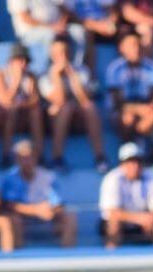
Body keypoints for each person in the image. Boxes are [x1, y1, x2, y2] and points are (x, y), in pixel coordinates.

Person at [39, 34, 108, 172]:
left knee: (90, 108)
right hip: (54, 120)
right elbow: (59, 100)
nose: (63, 57)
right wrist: (56, 76)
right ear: (52, 55)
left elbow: (85, 99)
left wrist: (72, 76)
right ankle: (57, 157)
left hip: (78, 120)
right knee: (65, 107)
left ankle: (100, 157)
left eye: (65, 52)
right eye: (58, 53)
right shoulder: (45, 75)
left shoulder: (81, 71)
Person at [0, 139, 77, 248]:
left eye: (29, 157)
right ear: (16, 159)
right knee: (12, 219)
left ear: (36, 157)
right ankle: (17, 258)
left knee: (70, 217)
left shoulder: (48, 176)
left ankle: (67, 257)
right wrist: (35, 210)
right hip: (22, 217)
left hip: (45, 214)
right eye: (22, 158)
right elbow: (8, 205)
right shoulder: (9, 178)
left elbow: (58, 203)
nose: (26, 161)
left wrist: (51, 210)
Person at [99, 141, 153, 248]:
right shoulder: (112, 179)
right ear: (122, 164)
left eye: (138, 161)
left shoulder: (151, 176)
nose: (135, 165)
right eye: (130, 161)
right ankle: (111, 260)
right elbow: (112, 213)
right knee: (113, 224)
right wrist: (140, 219)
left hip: (144, 222)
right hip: (125, 222)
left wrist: (152, 218)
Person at [0, 43, 44, 167]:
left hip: (24, 114)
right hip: (5, 116)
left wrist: (21, 103)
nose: (24, 64)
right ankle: (6, 154)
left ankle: (39, 154)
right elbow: (5, 101)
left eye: (26, 61)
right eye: (20, 60)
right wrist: (16, 80)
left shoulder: (31, 76)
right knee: (11, 110)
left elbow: (35, 100)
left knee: (36, 112)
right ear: (11, 61)